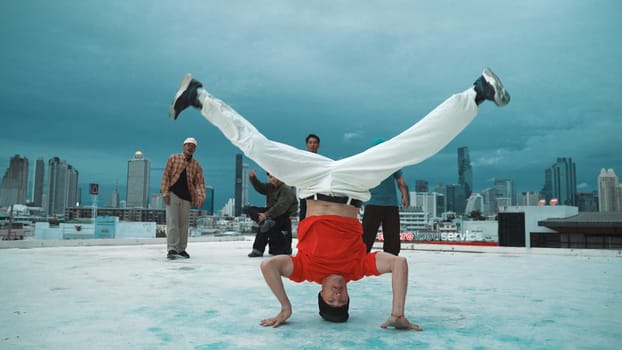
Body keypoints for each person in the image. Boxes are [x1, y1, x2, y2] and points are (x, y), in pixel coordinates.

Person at [168, 67, 510, 329]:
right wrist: (397, 312)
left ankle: (197, 96)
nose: (337, 293)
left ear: (320, 296)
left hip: (311, 179)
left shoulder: (304, 271)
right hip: (351, 186)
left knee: (258, 147)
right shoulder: (357, 269)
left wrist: (286, 307)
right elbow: (399, 263)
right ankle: (478, 92)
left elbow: (269, 265)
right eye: (342, 298)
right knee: (410, 148)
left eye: (331, 298)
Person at [362, 138, 410, 255]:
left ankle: (392, 260)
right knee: (367, 236)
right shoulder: (367, 163)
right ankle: (360, 259)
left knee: (392, 237)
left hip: (390, 204)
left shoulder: (392, 163)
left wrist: (405, 196)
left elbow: (401, 181)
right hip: (373, 203)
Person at [160, 137, 206, 260]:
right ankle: (172, 248)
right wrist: (165, 193)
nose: (190, 148)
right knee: (172, 222)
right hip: (173, 194)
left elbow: (200, 182)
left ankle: (181, 249)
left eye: (192, 146)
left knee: (184, 225)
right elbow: (166, 176)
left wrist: (200, 196)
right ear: (183, 146)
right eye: (188, 145)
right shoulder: (174, 158)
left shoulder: (196, 165)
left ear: (195, 149)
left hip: (187, 197)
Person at [246, 169, 298, 257]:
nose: (272, 179)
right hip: (270, 214)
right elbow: (260, 187)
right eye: (270, 177)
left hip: (283, 216)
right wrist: (253, 177)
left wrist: (266, 215)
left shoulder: (286, 189)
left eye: (275, 176)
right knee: (251, 210)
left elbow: (281, 206)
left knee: (277, 251)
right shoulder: (271, 186)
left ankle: (259, 249)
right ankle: (258, 249)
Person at [298, 133, 320, 221]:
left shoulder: (321, 160)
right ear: (307, 144)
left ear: (318, 145)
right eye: (310, 142)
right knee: (303, 214)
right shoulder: (302, 159)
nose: (312, 145)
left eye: (314, 143)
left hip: (317, 192)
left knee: (315, 217)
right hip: (305, 190)